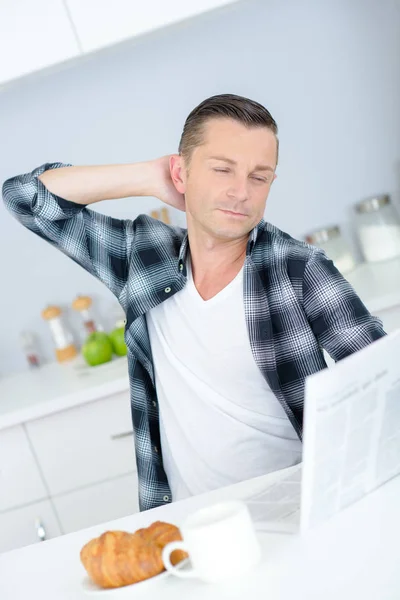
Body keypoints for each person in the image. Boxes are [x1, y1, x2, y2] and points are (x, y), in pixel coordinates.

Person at [2, 93, 385, 511]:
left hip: (298, 512)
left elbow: (384, 383)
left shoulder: (298, 268)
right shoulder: (143, 258)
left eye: (259, 177)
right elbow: (25, 198)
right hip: (188, 523)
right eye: (222, 169)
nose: (241, 192)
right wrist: (149, 177)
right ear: (181, 173)